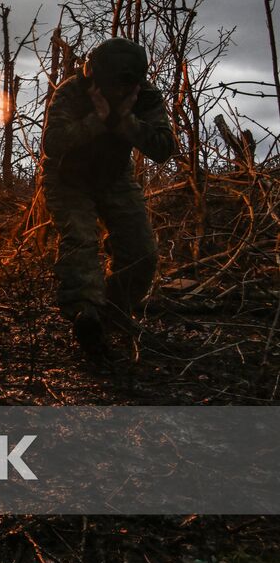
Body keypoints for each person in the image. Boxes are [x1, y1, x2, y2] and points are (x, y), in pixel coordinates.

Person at [40, 37, 176, 358]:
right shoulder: (72, 91)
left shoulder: (144, 96)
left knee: (142, 252)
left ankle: (113, 312)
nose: (115, 91)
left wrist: (122, 121)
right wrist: (97, 121)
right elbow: (53, 143)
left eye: (122, 86)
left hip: (114, 178)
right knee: (81, 241)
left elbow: (163, 148)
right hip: (67, 179)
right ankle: (85, 315)